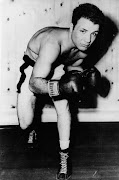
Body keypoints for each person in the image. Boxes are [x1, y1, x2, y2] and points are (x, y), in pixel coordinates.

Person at [17, 3, 110, 180]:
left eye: (94, 33)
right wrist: (60, 87)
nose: (88, 39)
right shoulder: (52, 43)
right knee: (25, 123)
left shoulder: (84, 50)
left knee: (64, 108)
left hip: (57, 66)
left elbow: (72, 69)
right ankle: (33, 128)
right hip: (34, 67)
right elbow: (34, 84)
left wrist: (84, 76)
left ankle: (64, 157)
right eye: (83, 31)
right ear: (71, 27)